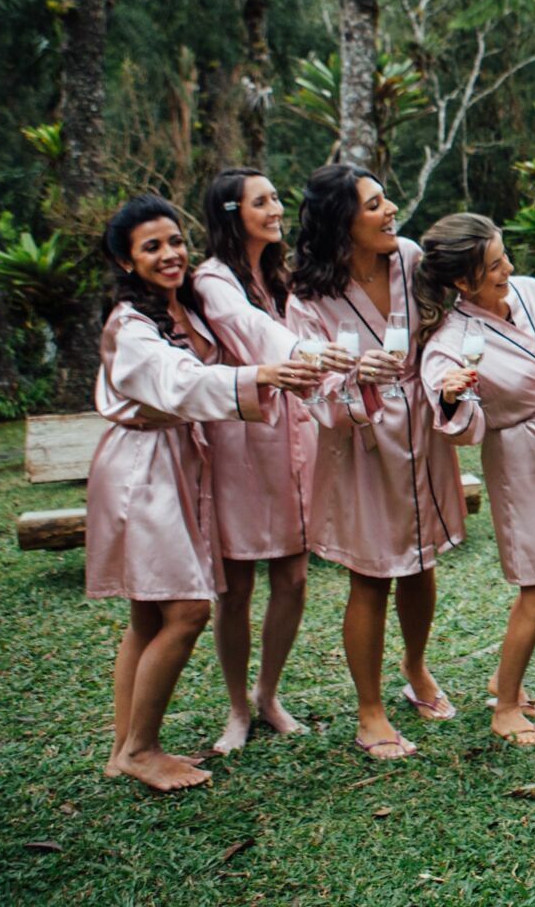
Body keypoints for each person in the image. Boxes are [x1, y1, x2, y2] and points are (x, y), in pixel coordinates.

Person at [87, 194, 318, 790]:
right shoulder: (130, 324)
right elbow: (175, 380)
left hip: (179, 462)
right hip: (145, 468)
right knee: (186, 610)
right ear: (124, 262)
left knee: (146, 616)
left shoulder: (183, 307)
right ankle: (141, 749)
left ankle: (124, 748)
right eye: (151, 247)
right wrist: (257, 376)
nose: (170, 255)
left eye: (174, 241)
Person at [288, 164, 465, 760]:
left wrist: (446, 376)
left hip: (420, 425)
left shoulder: (411, 259)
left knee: (420, 562)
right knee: (372, 575)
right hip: (358, 441)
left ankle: (415, 668)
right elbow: (307, 385)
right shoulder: (309, 297)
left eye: (387, 199)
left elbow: (447, 327)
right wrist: (351, 376)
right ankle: (370, 710)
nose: (391, 211)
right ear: (342, 222)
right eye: (374, 205)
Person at [417, 213, 535, 748]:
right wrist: (449, 394)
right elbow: (454, 419)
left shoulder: (532, 292)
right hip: (520, 463)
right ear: (463, 283)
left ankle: (501, 681)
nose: (509, 269)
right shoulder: (452, 341)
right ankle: (506, 706)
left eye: (504, 255)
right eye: (494, 265)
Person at [195, 168, 338, 756]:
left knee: (294, 576)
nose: (276, 208)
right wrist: (305, 354)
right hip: (240, 441)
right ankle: (234, 707)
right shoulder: (211, 280)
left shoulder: (283, 277)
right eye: (262, 201)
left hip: (294, 437)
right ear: (232, 212)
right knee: (236, 586)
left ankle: (268, 694)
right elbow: (247, 330)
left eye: (278, 197)